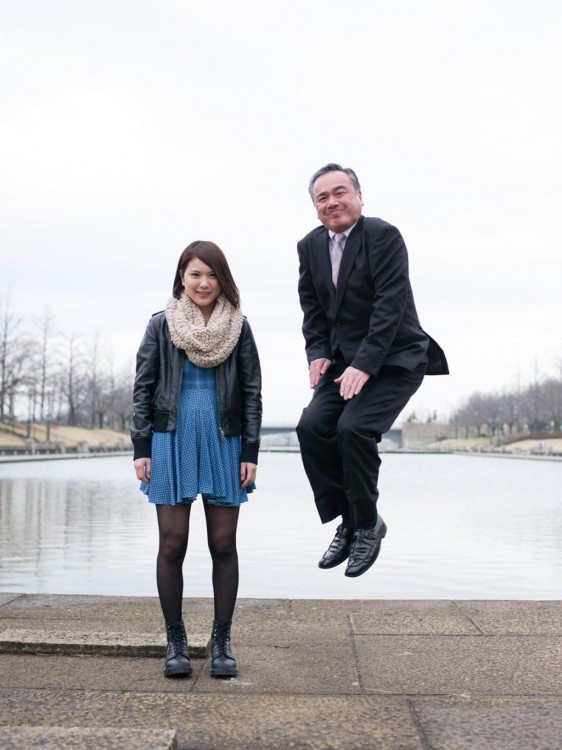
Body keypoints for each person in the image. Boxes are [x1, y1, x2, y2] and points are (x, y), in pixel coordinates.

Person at [296, 164, 448, 578]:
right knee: (312, 427)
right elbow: (312, 310)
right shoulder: (309, 246)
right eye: (322, 197)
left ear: (360, 197)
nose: (332, 202)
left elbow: (390, 305)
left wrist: (365, 364)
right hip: (344, 363)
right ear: (315, 208)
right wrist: (318, 353)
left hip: (396, 358)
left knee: (354, 429)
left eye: (340, 192)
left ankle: (366, 525)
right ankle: (349, 520)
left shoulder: (383, 237)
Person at [131, 240, 262, 678]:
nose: (204, 283)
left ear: (222, 279)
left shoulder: (240, 327)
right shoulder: (160, 325)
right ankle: (176, 642)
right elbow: (144, 390)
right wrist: (141, 447)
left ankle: (222, 641)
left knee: (223, 544)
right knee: (172, 543)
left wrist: (251, 452)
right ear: (181, 279)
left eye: (212, 275)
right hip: (171, 436)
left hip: (225, 437)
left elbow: (251, 393)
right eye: (195, 274)